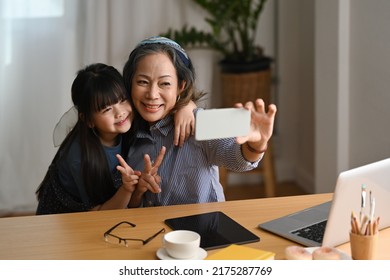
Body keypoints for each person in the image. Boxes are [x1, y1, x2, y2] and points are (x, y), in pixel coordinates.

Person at [122, 36, 277, 207]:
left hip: (202, 229)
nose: (152, 94)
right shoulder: (124, 128)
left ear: (181, 86)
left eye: (165, 83)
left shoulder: (199, 122)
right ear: (130, 83)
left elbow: (236, 159)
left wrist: (256, 145)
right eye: (143, 82)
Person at [35, 63, 194, 215]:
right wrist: (126, 189)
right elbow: (98, 216)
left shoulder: (129, 121)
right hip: (70, 219)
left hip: (113, 209)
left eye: (122, 100)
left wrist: (187, 107)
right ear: (88, 120)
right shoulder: (79, 157)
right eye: (107, 109)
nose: (120, 112)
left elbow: (171, 102)